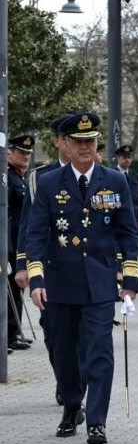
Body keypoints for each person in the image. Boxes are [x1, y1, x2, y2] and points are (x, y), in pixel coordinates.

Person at [26, 112, 138, 444]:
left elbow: (128, 232)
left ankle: (97, 421)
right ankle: (72, 404)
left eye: (90, 141)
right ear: (67, 145)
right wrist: (37, 279)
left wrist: (130, 280)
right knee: (64, 353)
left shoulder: (114, 180)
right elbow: (35, 235)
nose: (85, 147)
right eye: (79, 142)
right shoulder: (49, 183)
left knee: (100, 352)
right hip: (61, 282)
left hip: (100, 282)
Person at [16, 114, 75, 405]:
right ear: (57, 142)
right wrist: (22, 265)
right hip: (49, 267)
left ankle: (76, 384)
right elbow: (29, 225)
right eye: (67, 139)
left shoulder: (99, 174)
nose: (73, 144)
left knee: (85, 335)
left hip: (84, 268)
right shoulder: (40, 177)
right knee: (52, 330)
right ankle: (64, 379)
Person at [7, 134, 33, 354]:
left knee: (16, 288)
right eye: (21, 152)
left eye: (27, 154)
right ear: (9, 153)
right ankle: (7, 335)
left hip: (18, 243)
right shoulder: (6, 177)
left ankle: (13, 332)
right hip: (7, 243)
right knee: (7, 291)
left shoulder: (20, 178)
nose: (25, 157)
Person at [114, 145, 138, 229]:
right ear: (118, 158)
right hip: (118, 215)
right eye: (124, 157)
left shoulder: (134, 175)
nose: (127, 160)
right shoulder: (112, 175)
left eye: (129, 157)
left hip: (134, 215)